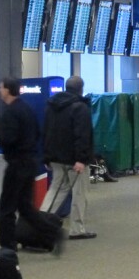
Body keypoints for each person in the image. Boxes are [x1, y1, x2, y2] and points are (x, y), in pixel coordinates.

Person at [0, 76, 65, 253]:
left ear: (7, 90)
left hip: (16, 165)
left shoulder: (11, 111)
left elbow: (10, 138)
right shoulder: (26, 109)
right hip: (30, 163)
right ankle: (53, 231)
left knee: (6, 208)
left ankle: (7, 246)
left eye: (1, 87)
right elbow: (37, 133)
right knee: (25, 207)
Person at [41, 75, 96, 239]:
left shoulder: (51, 106)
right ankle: (77, 229)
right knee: (79, 193)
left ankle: (40, 223)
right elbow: (82, 135)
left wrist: (47, 157)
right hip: (75, 161)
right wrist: (81, 159)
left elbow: (47, 133)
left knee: (56, 190)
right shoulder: (80, 107)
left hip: (56, 158)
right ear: (81, 89)